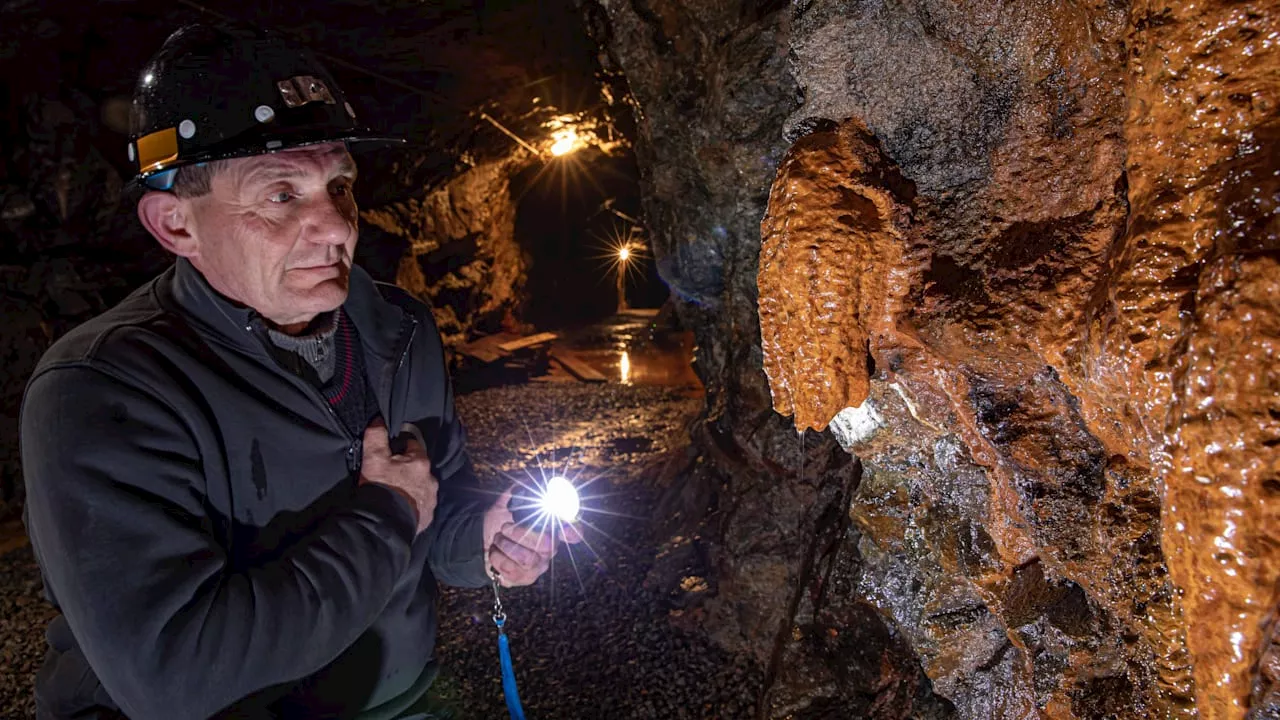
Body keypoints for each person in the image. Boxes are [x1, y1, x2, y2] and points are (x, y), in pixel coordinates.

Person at [20, 24, 569, 720]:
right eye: (281, 195)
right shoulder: (101, 389)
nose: (335, 226)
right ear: (174, 225)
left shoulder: (399, 328)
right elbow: (178, 676)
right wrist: (387, 518)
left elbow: (440, 503)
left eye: (339, 185)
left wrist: (485, 542)